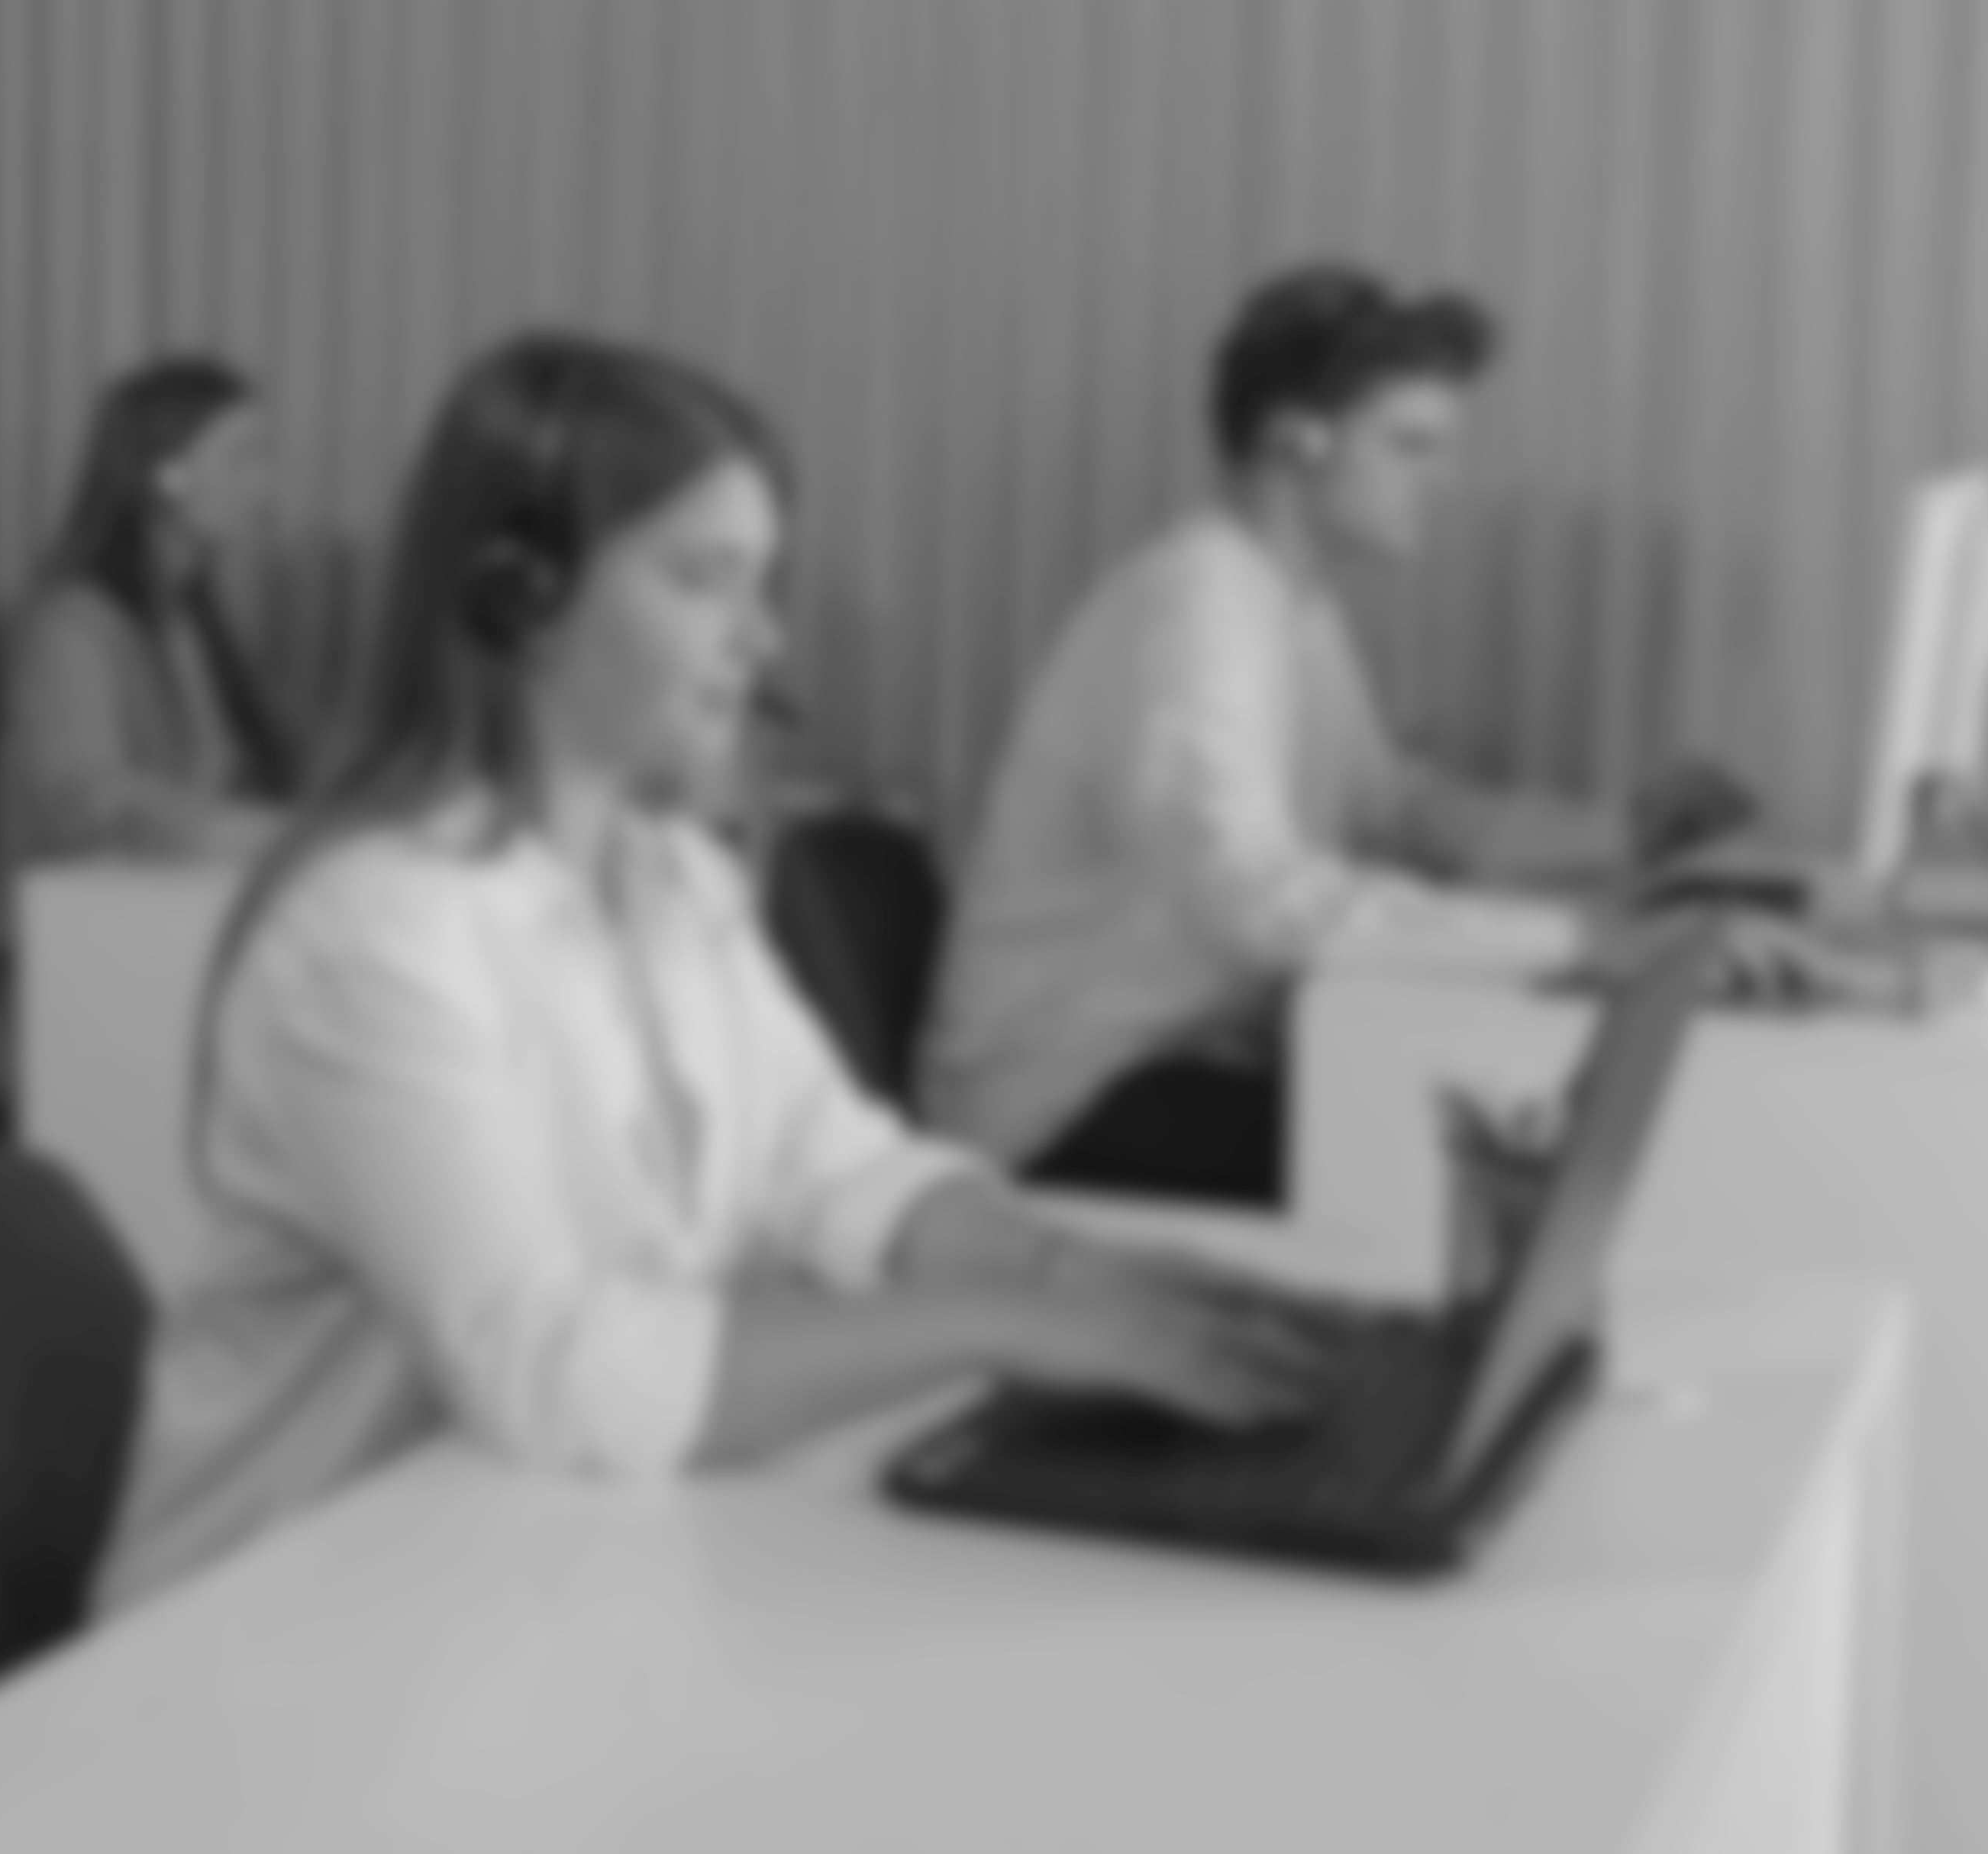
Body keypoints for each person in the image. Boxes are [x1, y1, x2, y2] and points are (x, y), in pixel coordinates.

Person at [93, 331, 1331, 1615]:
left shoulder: (673, 881)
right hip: (262, 1631)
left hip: (510, 1584)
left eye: (762, 582)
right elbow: (553, 1364)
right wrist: (1012, 1326)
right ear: (519, 597)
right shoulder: (375, 929)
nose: (763, 635)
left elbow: (839, 1168)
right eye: (705, 579)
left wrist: (1070, 1272)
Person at [919, 264, 1760, 1205]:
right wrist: (1574, 942)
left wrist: (1621, 838)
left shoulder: (1289, 604)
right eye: (1408, 446)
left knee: (1489, 1134)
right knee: (1450, 1166)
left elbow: (1392, 810)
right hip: (1070, 1100)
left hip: (1190, 1058)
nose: (1442, 481)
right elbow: (1258, 904)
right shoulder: (1196, 611)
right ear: (1297, 439)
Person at [0, 356, 303, 875]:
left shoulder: (190, 614)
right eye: (241, 458)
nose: (265, 487)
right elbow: (92, 801)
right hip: (83, 911)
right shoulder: (72, 627)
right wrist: (273, 833)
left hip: (168, 897)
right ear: (168, 477)